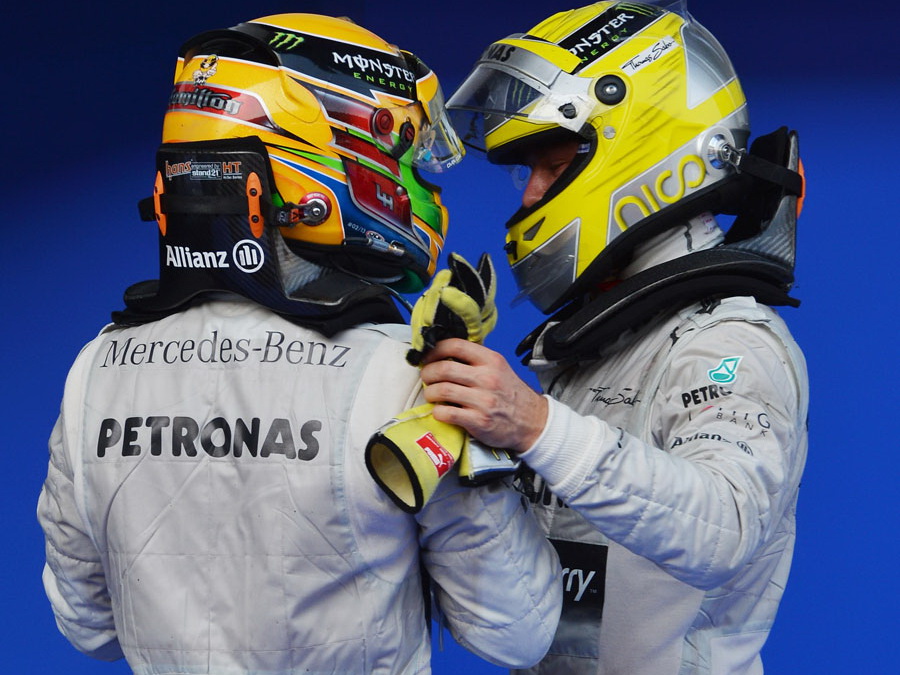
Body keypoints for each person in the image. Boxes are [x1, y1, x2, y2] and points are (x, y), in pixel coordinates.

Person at [36, 14, 561, 674]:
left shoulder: (95, 371)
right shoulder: (406, 375)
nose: (422, 178)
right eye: (406, 150)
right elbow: (517, 629)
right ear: (330, 155)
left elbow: (87, 626)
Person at [418, 1, 809, 673]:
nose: (529, 197)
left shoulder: (728, 343)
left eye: (551, 166)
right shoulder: (593, 344)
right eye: (526, 173)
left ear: (642, 157)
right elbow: (529, 619)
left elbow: (724, 526)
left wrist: (535, 425)